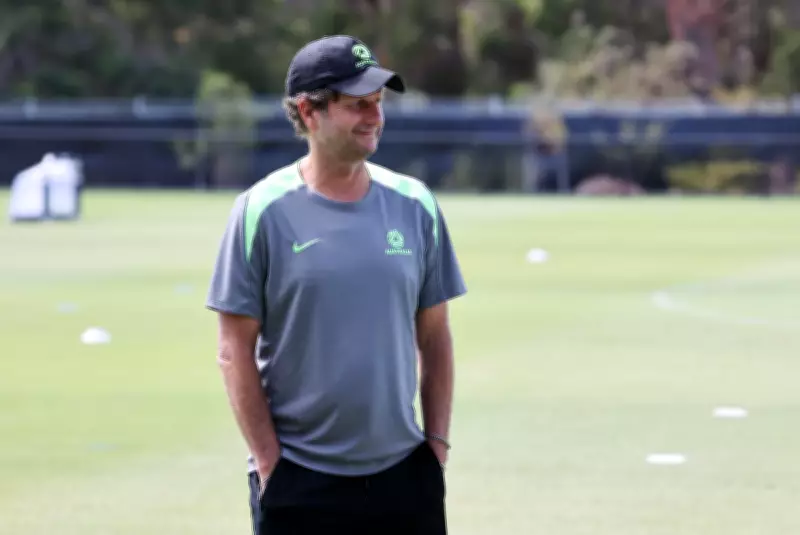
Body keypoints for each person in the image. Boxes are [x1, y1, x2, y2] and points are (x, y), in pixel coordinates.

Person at [205, 34, 467, 535]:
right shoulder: (260, 211)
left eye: (379, 102)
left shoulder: (416, 204)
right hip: (297, 481)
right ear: (309, 111)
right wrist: (270, 465)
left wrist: (435, 447)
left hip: (405, 479)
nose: (375, 116)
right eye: (358, 105)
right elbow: (233, 350)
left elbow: (435, 337)